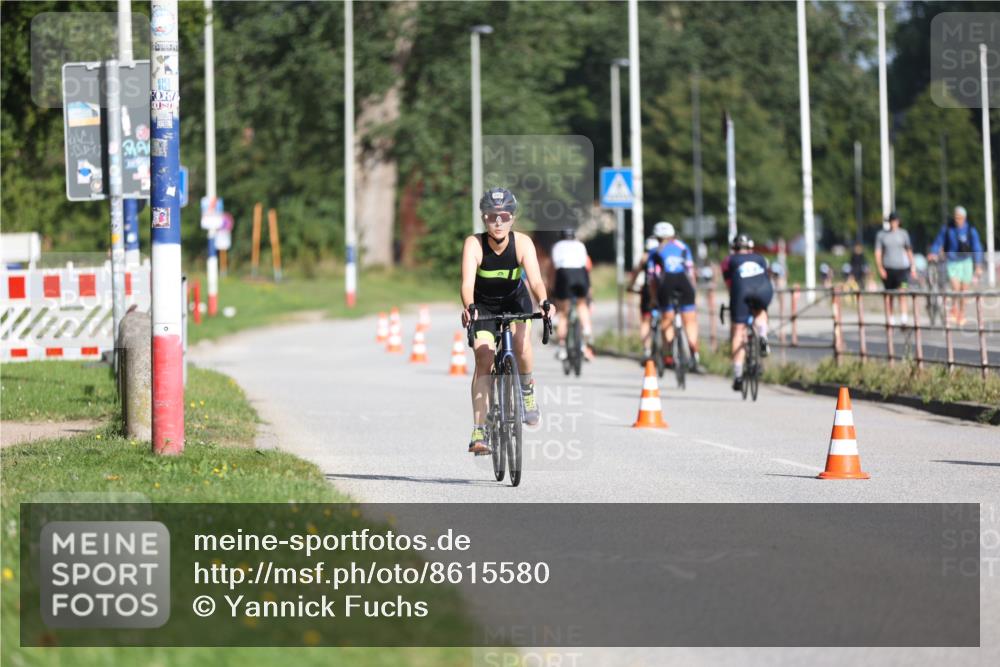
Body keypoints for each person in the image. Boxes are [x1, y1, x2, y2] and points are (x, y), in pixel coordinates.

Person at [461, 188, 551, 455]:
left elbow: (535, 280)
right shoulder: (474, 244)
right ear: (483, 218)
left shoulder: (522, 243)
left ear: (512, 217)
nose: (498, 222)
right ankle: (480, 429)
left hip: (515, 301)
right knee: (484, 358)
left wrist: (545, 302)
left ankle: (526, 389)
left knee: (522, 342)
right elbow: (467, 283)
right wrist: (470, 307)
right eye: (491, 216)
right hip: (484, 304)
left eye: (504, 216)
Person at [721, 234, 773, 393]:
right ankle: (763, 336)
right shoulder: (761, 258)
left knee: (738, 331)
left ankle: (737, 375)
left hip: (741, 292)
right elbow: (765, 277)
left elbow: (730, 285)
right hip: (764, 290)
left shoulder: (728, 261)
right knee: (761, 311)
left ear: (734, 248)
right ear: (750, 248)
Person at [647, 221, 701, 371]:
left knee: (667, 319)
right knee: (690, 321)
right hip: (684, 283)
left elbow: (652, 278)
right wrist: (694, 292)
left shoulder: (655, 251)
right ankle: (694, 353)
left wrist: (653, 298)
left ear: (657, 237)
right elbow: (690, 272)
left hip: (667, 283)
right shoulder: (684, 247)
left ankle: (670, 353)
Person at [929, 205, 984, 326]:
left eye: (960, 218)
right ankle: (954, 308)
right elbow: (939, 241)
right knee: (955, 287)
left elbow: (977, 247)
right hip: (953, 261)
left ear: (964, 218)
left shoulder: (970, 230)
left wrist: (978, 265)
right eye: (956, 217)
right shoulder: (948, 228)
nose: (957, 220)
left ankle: (962, 313)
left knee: (964, 290)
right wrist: (933, 253)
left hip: (966, 261)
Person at [551, 228, 593, 361]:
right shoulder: (580, 245)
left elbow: (553, 268)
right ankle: (586, 328)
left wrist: (551, 287)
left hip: (564, 274)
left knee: (563, 312)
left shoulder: (557, 246)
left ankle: (562, 346)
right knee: (581, 304)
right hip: (581, 273)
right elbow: (586, 265)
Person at [874, 212, 917, 325]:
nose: (894, 223)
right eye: (892, 221)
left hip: (902, 269)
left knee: (902, 291)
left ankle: (904, 317)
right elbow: (878, 252)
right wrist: (880, 268)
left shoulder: (903, 234)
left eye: (896, 221)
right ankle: (890, 318)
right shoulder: (882, 235)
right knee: (889, 295)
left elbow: (908, 250)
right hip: (888, 269)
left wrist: (913, 266)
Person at [626, 236, 662, 359]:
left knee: (645, 320)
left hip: (648, 290)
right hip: (663, 289)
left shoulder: (645, 257)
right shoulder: (664, 254)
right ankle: (669, 352)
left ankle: (646, 350)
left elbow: (636, 273)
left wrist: (630, 286)